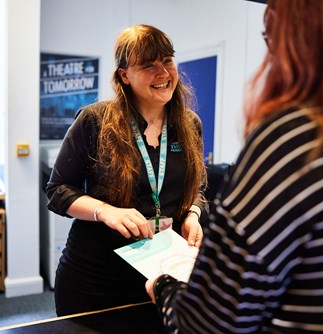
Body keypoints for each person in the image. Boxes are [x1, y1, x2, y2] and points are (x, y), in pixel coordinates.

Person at [146, 0, 323, 333]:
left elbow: (207, 325)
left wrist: (165, 288)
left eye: (271, 36)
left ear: (299, 35)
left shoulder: (294, 140)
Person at [46, 23, 207, 318]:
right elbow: (58, 191)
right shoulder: (95, 120)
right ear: (124, 75)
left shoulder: (189, 124)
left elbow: (197, 186)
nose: (163, 73)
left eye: (167, 61)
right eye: (148, 65)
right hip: (96, 279)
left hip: (162, 276)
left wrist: (193, 214)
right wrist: (105, 211)